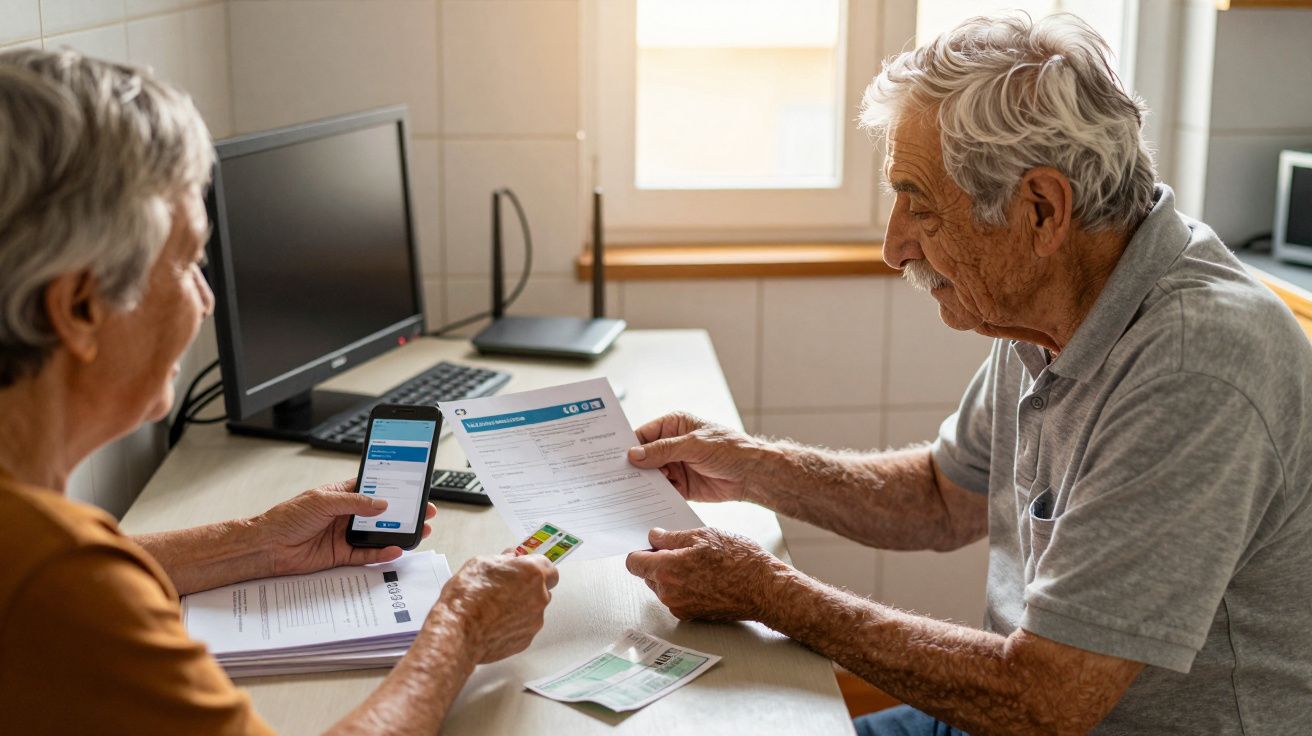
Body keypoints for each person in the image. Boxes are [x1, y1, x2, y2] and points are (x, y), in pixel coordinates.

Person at [623, 14, 1312, 735]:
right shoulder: (1052, 302)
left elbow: (1045, 701)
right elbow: (941, 498)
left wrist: (771, 594)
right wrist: (749, 466)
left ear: (1042, 210)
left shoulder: (1194, 366)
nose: (894, 247)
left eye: (920, 207)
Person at [0, 48, 557, 735]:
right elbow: (70, 586)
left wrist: (256, 543)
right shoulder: (56, 581)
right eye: (189, 263)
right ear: (79, 308)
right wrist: (461, 629)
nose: (207, 300)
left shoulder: (39, 550)